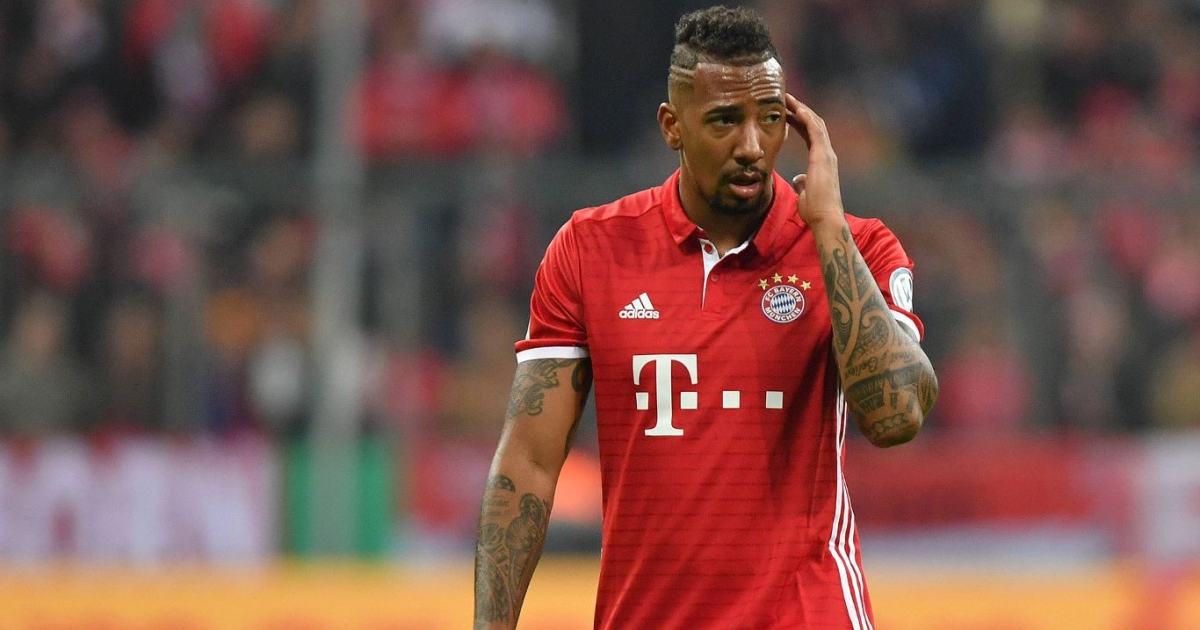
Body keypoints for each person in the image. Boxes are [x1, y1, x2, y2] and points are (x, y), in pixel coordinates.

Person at [473, 6, 938, 630]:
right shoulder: (590, 249)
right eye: (725, 120)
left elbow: (898, 417)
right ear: (673, 126)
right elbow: (527, 465)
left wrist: (828, 228)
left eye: (768, 119)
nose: (751, 147)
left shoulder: (860, 249)